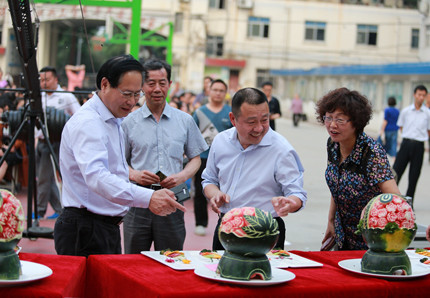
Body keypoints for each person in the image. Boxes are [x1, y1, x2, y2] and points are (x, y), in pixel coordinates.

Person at [54, 55, 185, 257]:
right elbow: (97, 176)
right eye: (126, 94)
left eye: (136, 94)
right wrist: (148, 197)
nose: (132, 102)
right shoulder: (89, 123)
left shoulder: (114, 119)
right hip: (86, 229)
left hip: (105, 226)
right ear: (105, 84)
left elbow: (116, 169)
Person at [202, 87, 307, 250]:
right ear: (233, 119)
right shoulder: (220, 142)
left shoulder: (281, 149)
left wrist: (290, 203)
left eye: (264, 120)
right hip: (226, 227)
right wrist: (215, 194)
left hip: (265, 232)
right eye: (251, 122)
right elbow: (209, 180)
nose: (259, 128)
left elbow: (297, 193)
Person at [122, 59, 207, 253]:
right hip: (138, 197)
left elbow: (196, 159)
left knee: (172, 258)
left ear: (170, 84)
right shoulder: (128, 122)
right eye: (151, 83)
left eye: (162, 82)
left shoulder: (184, 120)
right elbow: (118, 162)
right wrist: (134, 175)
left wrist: (182, 176)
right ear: (142, 86)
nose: (157, 88)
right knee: (134, 261)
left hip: (173, 196)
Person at [316, 87, 400, 251]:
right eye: (328, 118)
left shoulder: (371, 152)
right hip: (342, 235)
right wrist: (331, 221)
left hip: (370, 240)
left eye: (340, 120)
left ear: (356, 122)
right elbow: (337, 183)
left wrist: (370, 210)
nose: (332, 125)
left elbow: (395, 198)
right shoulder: (333, 144)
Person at [36, 66, 81, 220]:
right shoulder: (39, 96)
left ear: (56, 79)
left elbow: (79, 116)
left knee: (44, 178)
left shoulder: (66, 96)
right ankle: (58, 208)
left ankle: (39, 211)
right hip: (41, 141)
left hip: (55, 142)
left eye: (47, 79)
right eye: (41, 80)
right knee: (46, 178)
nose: (44, 83)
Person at [193, 79, 233, 236]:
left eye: (221, 90)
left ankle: (227, 222)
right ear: (209, 91)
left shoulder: (230, 112)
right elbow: (192, 134)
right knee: (201, 192)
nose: (218, 93)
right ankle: (200, 223)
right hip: (203, 158)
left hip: (225, 160)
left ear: (225, 93)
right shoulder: (199, 112)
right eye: (215, 89)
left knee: (226, 192)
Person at [392, 85, 430, 204]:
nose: (421, 97)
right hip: (406, 144)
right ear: (414, 95)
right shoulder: (406, 111)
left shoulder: (427, 113)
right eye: (419, 94)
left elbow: (428, 130)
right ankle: (390, 199)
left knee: (414, 176)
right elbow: (401, 127)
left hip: (419, 146)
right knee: (396, 173)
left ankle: (409, 203)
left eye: (423, 95)